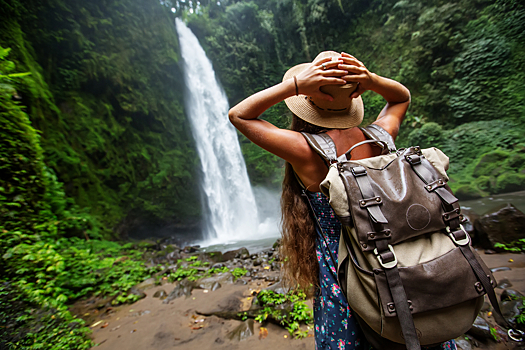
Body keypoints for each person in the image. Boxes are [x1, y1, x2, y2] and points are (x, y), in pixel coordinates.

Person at [228, 51, 457, 350]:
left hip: (346, 274)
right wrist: (371, 80)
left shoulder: (305, 150)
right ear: (355, 98)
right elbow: (401, 98)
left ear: (305, 101)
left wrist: (295, 85)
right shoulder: (381, 137)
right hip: (405, 261)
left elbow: (239, 115)